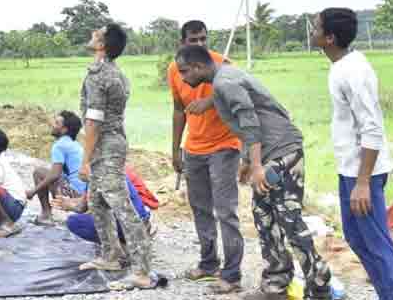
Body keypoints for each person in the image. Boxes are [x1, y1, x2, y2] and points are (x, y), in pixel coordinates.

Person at [176, 43, 334, 300]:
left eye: (184, 71)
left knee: (288, 219)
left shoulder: (225, 82)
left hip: (283, 153)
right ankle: (276, 284)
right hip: (268, 154)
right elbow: (250, 120)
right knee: (264, 217)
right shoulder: (224, 78)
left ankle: (320, 286)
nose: (182, 78)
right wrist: (248, 161)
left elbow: (250, 122)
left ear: (198, 67)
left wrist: (257, 165)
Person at [314, 8, 393, 300]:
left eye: (316, 27)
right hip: (351, 170)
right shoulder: (340, 65)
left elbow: (372, 127)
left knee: (376, 243)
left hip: (364, 173)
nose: (311, 30)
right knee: (357, 238)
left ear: (329, 37)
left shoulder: (354, 70)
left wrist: (363, 182)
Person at [78, 24, 155, 290]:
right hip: (110, 143)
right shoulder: (116, 73)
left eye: (96, 33)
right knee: (97, 202)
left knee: (122, 207)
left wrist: (85, 160)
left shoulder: (99, 75)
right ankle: (111, 255)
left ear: (102, 45)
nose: (92, 34)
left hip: (105, 146)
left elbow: (93, 121)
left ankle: (142, 271)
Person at [170, 20, 244, 293]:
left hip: (224, 145)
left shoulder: (222, 64)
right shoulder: (175, 70)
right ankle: (208, 263)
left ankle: (232, 274)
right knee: (200, 208)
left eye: (203, 39)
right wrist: (176, 148)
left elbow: (239, 92)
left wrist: (209, 101)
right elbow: (178, 110)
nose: (200, 45)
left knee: (225, 210)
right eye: (194, 40)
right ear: (182, 43)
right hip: (194, 148)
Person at [25, 110, 87, 225]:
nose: (53, 125)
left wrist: (33, 191)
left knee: (39, 172)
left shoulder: (59, 145)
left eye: (57, 123)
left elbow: (55, 174)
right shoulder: (75, 144)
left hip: (76, 196)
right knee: (48, 173)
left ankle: (46, 215)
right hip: (85, 195)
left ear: (64, 130)